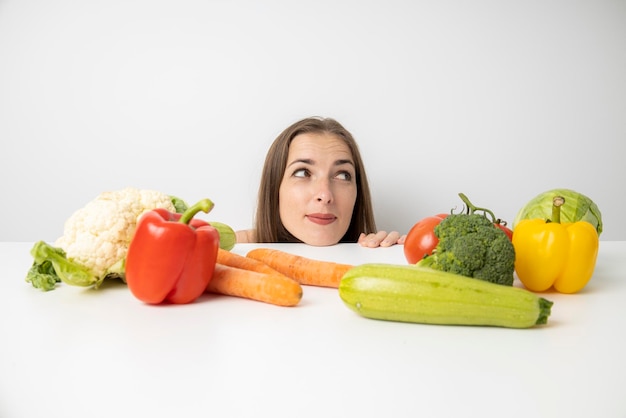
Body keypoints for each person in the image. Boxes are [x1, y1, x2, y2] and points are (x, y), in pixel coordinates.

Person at [236, 116, 406, 248]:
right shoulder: (230, 250)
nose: (325, 195)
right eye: (303, 173)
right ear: (274, 188)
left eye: (342, 175)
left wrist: (393, 256)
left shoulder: (371, 255)